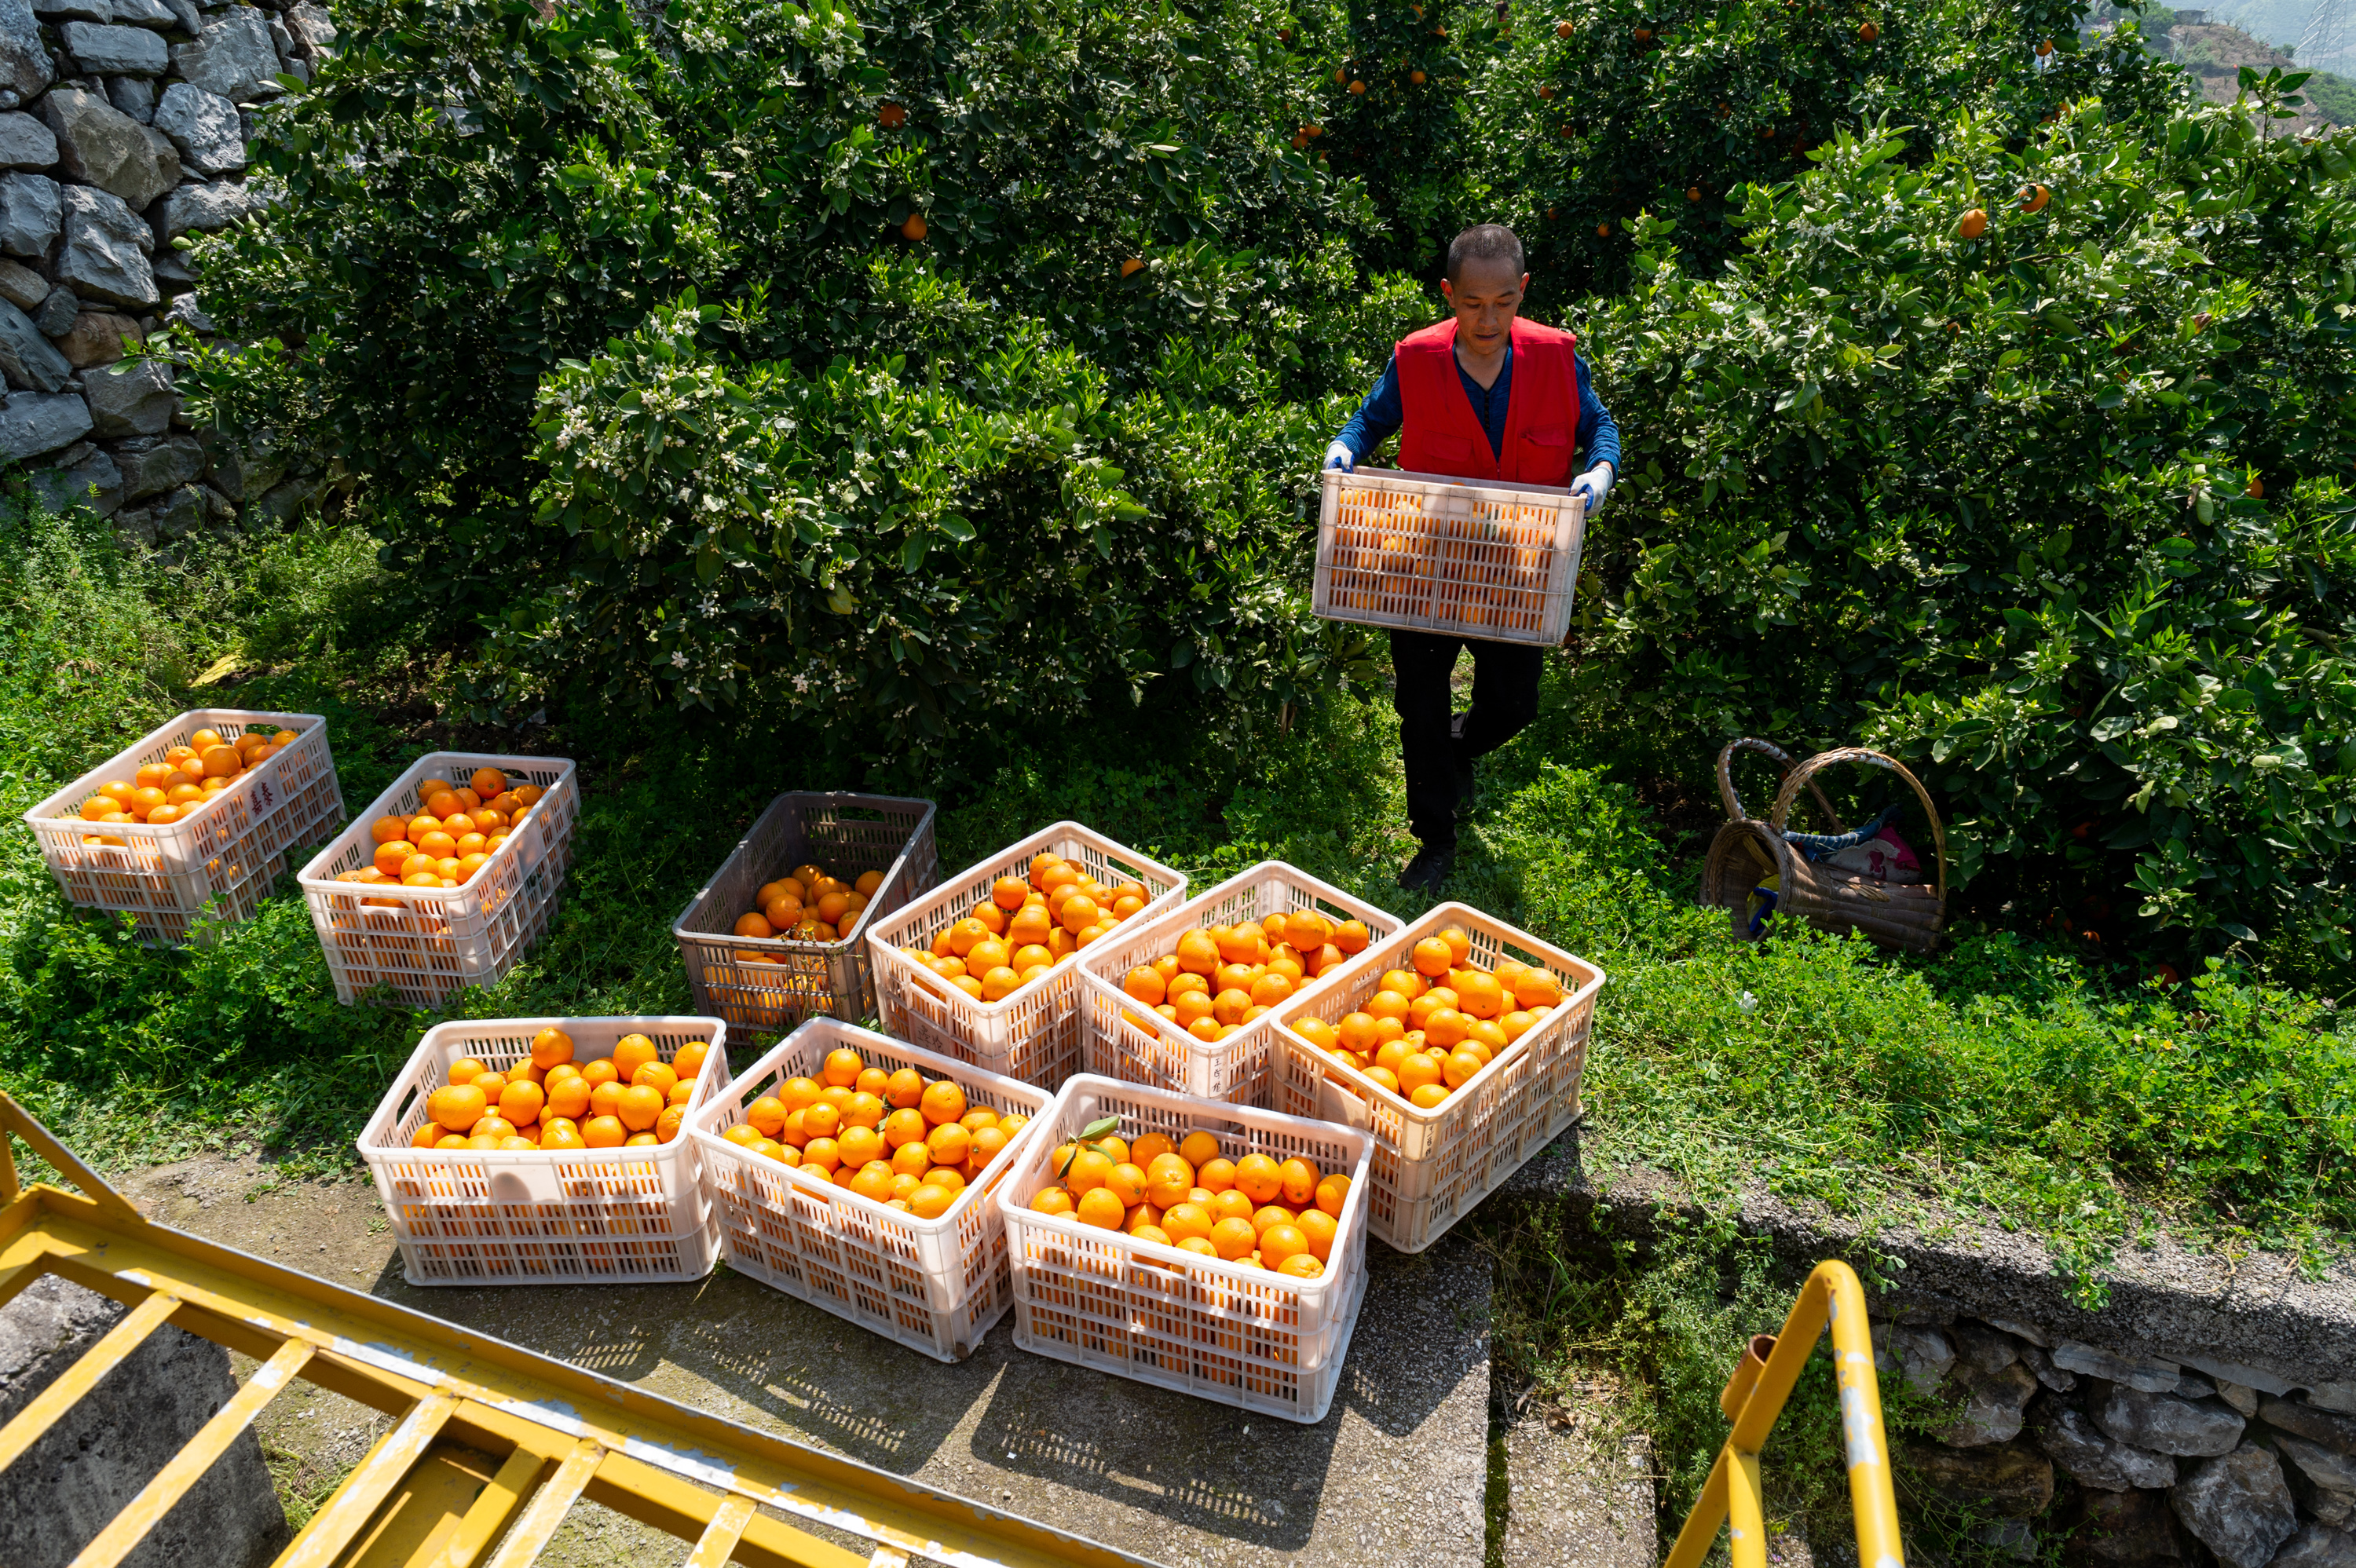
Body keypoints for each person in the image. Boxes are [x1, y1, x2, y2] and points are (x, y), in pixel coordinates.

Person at [1323, 223, 1621, 893]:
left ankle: (1459, 749)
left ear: (1523, 291)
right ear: (1448, 294)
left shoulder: (1556, 358)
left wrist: (1599, 471)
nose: (1488, 320)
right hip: (1427, 560)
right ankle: (1435, 838)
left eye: (1503, 303)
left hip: (1518, 564)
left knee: (1514, 703)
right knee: (1420, 704)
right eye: (1471, 303)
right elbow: (1368, 422)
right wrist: (1345, 449)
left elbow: (1598, 427)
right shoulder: (1416, 359)